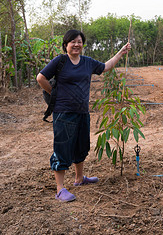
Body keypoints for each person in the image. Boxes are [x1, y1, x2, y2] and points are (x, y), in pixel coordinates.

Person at [37, 29, 131, 202]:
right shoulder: (60, 61)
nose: (76, 44)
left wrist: (121, 52)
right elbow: (40, 77)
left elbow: (106, 67)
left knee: (81, 145)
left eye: (79, 41)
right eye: (72, 41)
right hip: (64, 112)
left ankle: (79, 179)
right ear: (66, 45)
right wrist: (55, 95)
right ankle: (60, 189)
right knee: (63, 148)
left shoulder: (87, 62)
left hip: (82, 111)